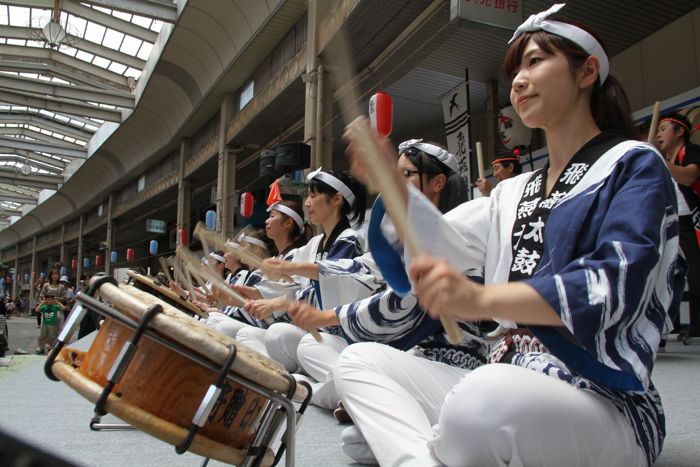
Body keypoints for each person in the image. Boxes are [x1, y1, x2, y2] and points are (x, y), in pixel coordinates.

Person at [335, 4, 685, 466]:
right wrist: (393, 190)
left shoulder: (633, 164)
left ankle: (443, 443)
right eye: (516, 68)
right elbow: (445, 247)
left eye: (536, 61)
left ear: (587, 71)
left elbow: (614, 283)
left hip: (599, 395)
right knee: (359, 363)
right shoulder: (512, 191)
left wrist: (482, 301)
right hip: (506, 372)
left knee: (479, 403)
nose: (519, 79)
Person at [287, 139, 486, 412]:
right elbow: (369, 268)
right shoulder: (410, 235)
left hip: (448, 362)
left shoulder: (457, 232)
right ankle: (353, 394)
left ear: (438, 182)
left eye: (405, 175)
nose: (307, 203)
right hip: (406, 348)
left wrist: (327, 314)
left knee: (352, 360)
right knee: (313, 348)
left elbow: (402, 300)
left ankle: (325, 392)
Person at [236, 169, 368, 372]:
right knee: (248, 335)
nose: (307, 203)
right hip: (314, 332)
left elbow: (332, 288)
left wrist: (277, 302)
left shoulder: (350, 239)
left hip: (337, 334)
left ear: (337, 199)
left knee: (279, 333)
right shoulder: (314, 244)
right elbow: (293, 286)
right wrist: (255, 293)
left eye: (313, 196)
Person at [655, 113, 700, 341]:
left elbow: (690, 176)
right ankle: (669, 326)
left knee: (695, 272)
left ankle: (698, 328)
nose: (658, 134)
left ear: (679, 131)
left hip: (689, 221)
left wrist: (658, 160)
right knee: (667, 275)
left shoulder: (691, 152)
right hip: (666, 222)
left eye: (664, 129)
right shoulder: (661, 159)